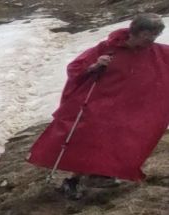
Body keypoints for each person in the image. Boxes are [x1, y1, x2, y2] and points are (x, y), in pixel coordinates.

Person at [28, 14, 169, 199]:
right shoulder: (108, 49)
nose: (151, 40)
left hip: (131, 107)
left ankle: (102, 174)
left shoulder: (158, 52)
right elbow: (75, 68)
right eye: (147, 35)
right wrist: (95, 66)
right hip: (99, 102)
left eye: (155, 35)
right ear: (135, 32)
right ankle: (74, 180)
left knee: (125, 136)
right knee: (91, 137)